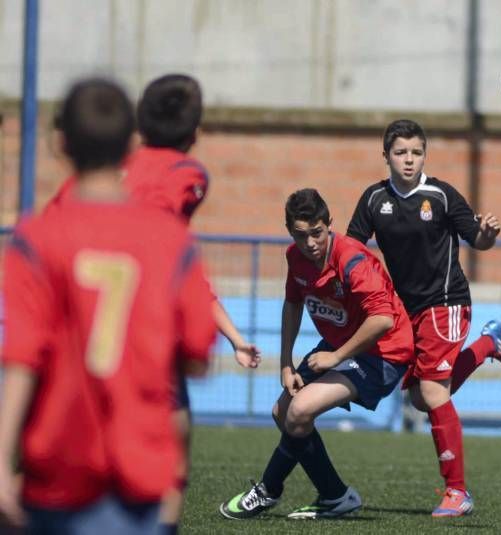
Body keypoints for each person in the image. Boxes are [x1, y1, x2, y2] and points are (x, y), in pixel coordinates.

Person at [0, 78, 217, 534]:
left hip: (57, 464)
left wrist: (2, 460)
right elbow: (198, 356)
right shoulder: (170, 241)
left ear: (60, 145)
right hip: (136, 468)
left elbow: (21, 359)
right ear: (131, 144)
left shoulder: (35, 239)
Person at [46, 74, 261, 532]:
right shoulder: (186, 175)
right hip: (140, 324)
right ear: (194, 133)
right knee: (166, 429)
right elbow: (169, 250)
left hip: (75, 329)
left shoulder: (71, 199)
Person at [346, 119, 501, 517]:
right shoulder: (374, 199)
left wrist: (488, 234)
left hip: (446, 302)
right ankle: (488, 344)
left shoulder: (440, 195)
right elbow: (352, 249)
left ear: (425, 154)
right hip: (406, 310)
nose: (409, 160)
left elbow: (477, 238)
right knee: (418, 399)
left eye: (416, 152)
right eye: (400, 152)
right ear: (386, 156)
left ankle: (457, 492)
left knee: (431, 394)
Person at [218, 188, 414, 520]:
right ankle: (335, 496)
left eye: (317, 233)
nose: (310, 242)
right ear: (291, 233)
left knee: (300, 411)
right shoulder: (296, 257)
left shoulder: (352, 260)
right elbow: (292, 303)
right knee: (283, 412)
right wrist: (285, 363)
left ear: (329, 225)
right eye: (300, 235)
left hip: (384, 351)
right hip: (343, 343)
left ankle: (268, 490)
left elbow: (382, 320)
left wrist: (336, 356)